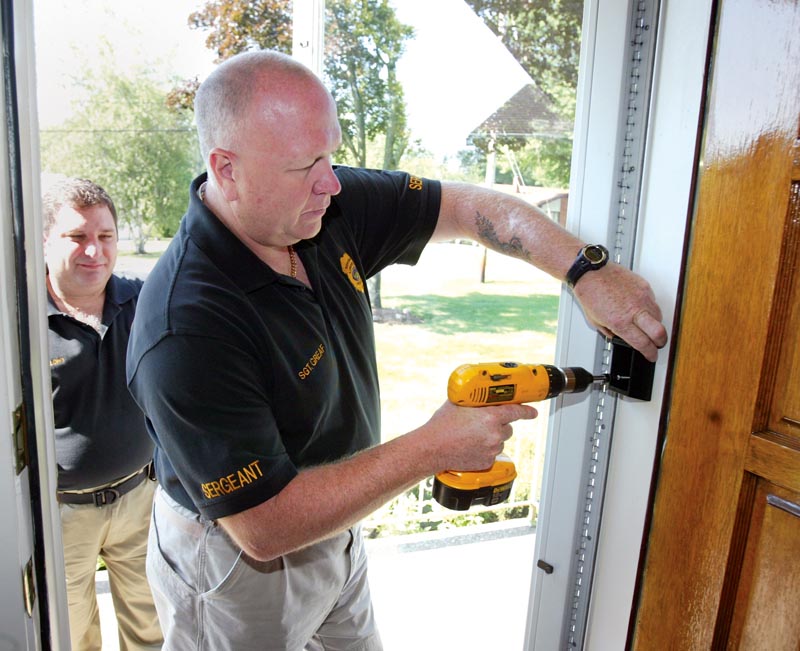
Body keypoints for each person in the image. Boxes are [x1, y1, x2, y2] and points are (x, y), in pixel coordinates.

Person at [127, 50, 667, 651]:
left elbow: (468, 206)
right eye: (305, 165)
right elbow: (265, 526)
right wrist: (436, 446)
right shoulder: (186, 325)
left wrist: (586, 271)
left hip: (337, 526)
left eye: (329, 154)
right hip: (234, 565)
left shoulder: (323, 207)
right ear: (226, 169)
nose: (331, 182)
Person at [43, 177, 163, 651]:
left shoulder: (142, 300)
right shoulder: (24, 322)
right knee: (72, 635)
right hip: (62, 514)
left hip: (141, 498)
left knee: (152, 626)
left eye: (104, 237)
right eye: (77, 237)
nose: (93, 251)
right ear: (47, 240)